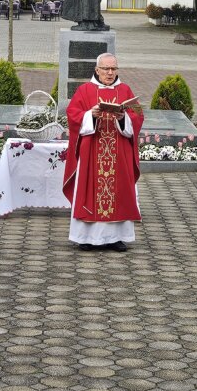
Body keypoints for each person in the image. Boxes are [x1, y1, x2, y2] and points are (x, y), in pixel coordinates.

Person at [62, 53, 143, 250]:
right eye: (105, 68)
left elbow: (139, 116)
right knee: (89, 192)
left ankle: (115, 238)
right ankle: (85, 238)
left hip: (118, 153)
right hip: (92, 152)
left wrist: (124, 117)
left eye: (113, 69)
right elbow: (72, 116)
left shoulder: (125, 90)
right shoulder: (84, 90)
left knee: (119, 192)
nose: (109, 72)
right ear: (97, 70)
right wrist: (90, 115)